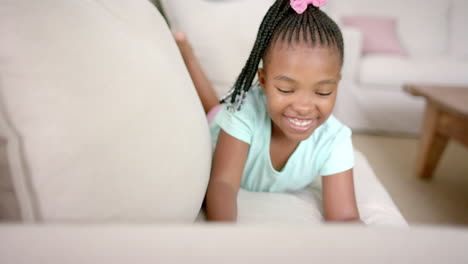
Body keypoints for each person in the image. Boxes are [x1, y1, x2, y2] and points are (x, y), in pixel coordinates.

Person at [174, 0, 361, 223]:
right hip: (222, 124)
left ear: (337, 85)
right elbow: (222, 183)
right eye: (286, 89)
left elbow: (345, 217)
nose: (303, 107)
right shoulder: (243, 113)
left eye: (323, 92)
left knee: (215, 106)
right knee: (214, 109)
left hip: (234, 114)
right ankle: (188, 55)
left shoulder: (335, 139)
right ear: (262, 81)